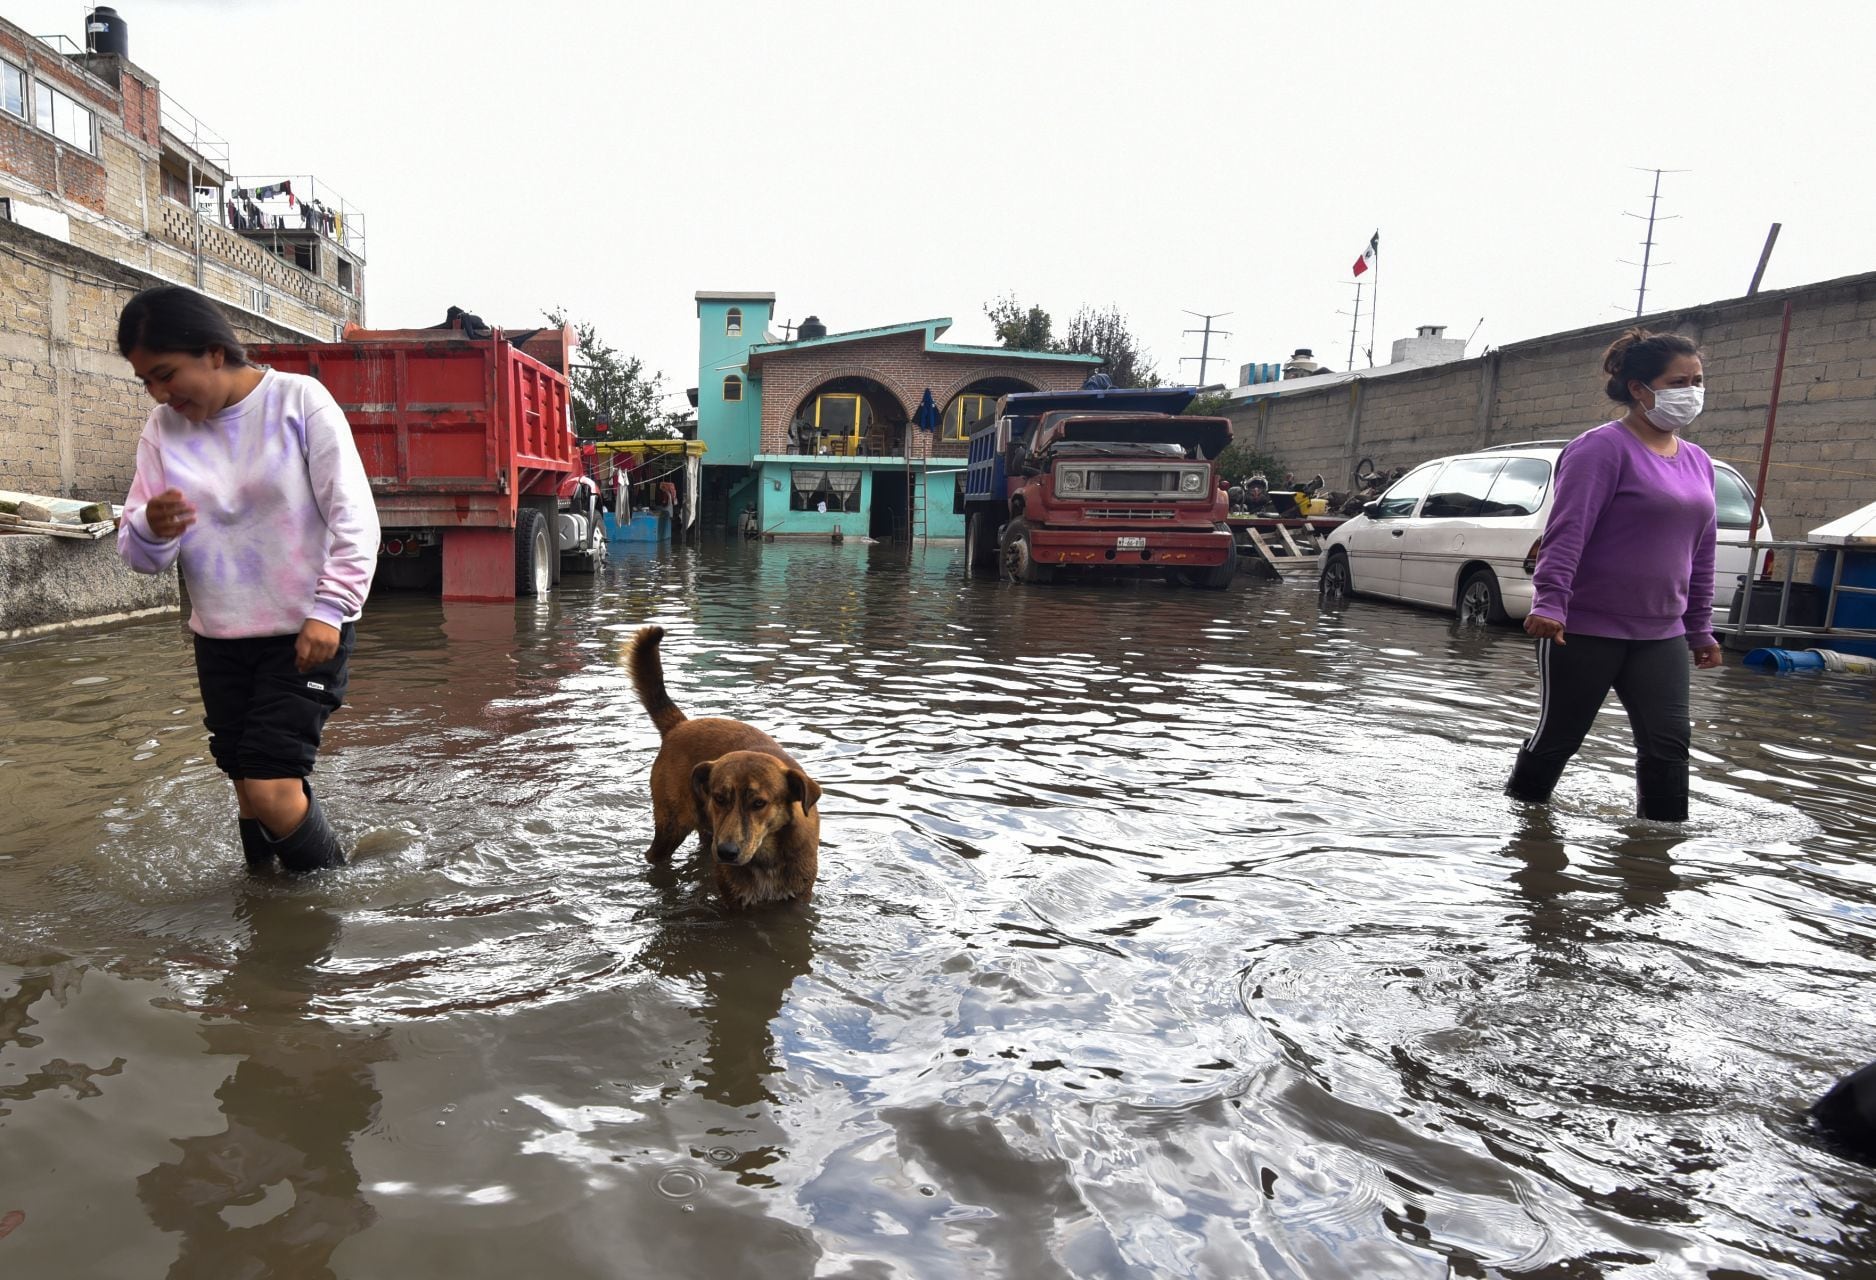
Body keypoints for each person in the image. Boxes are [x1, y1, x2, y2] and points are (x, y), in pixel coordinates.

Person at [116, 286, 379, 872]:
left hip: (305, 633)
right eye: (148, 384)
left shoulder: (298, 401)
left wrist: (330, 609)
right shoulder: (162, 430)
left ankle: (324, 907)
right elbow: (140, 556)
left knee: (269, 788)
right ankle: (263, 901)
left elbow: (354, 519)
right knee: (244, 781)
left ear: (213, 353)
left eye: (166, 374)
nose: (160, 395)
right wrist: (153, 527)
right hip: (220, 638)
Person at [1506, 328, 1721, 821]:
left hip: (1660, 633)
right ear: (1638, 389)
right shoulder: (1600, 450)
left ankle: (1657, 863)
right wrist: (1550, 604)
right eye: (1678, 381)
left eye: (1698, 380)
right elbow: (1567, 533)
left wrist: (1699, 628)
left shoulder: (1699, 462)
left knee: (1669, 746)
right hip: (1583, 628)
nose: (1691, 391)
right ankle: (1522, 833)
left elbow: (1701, 551)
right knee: (1560, 738)